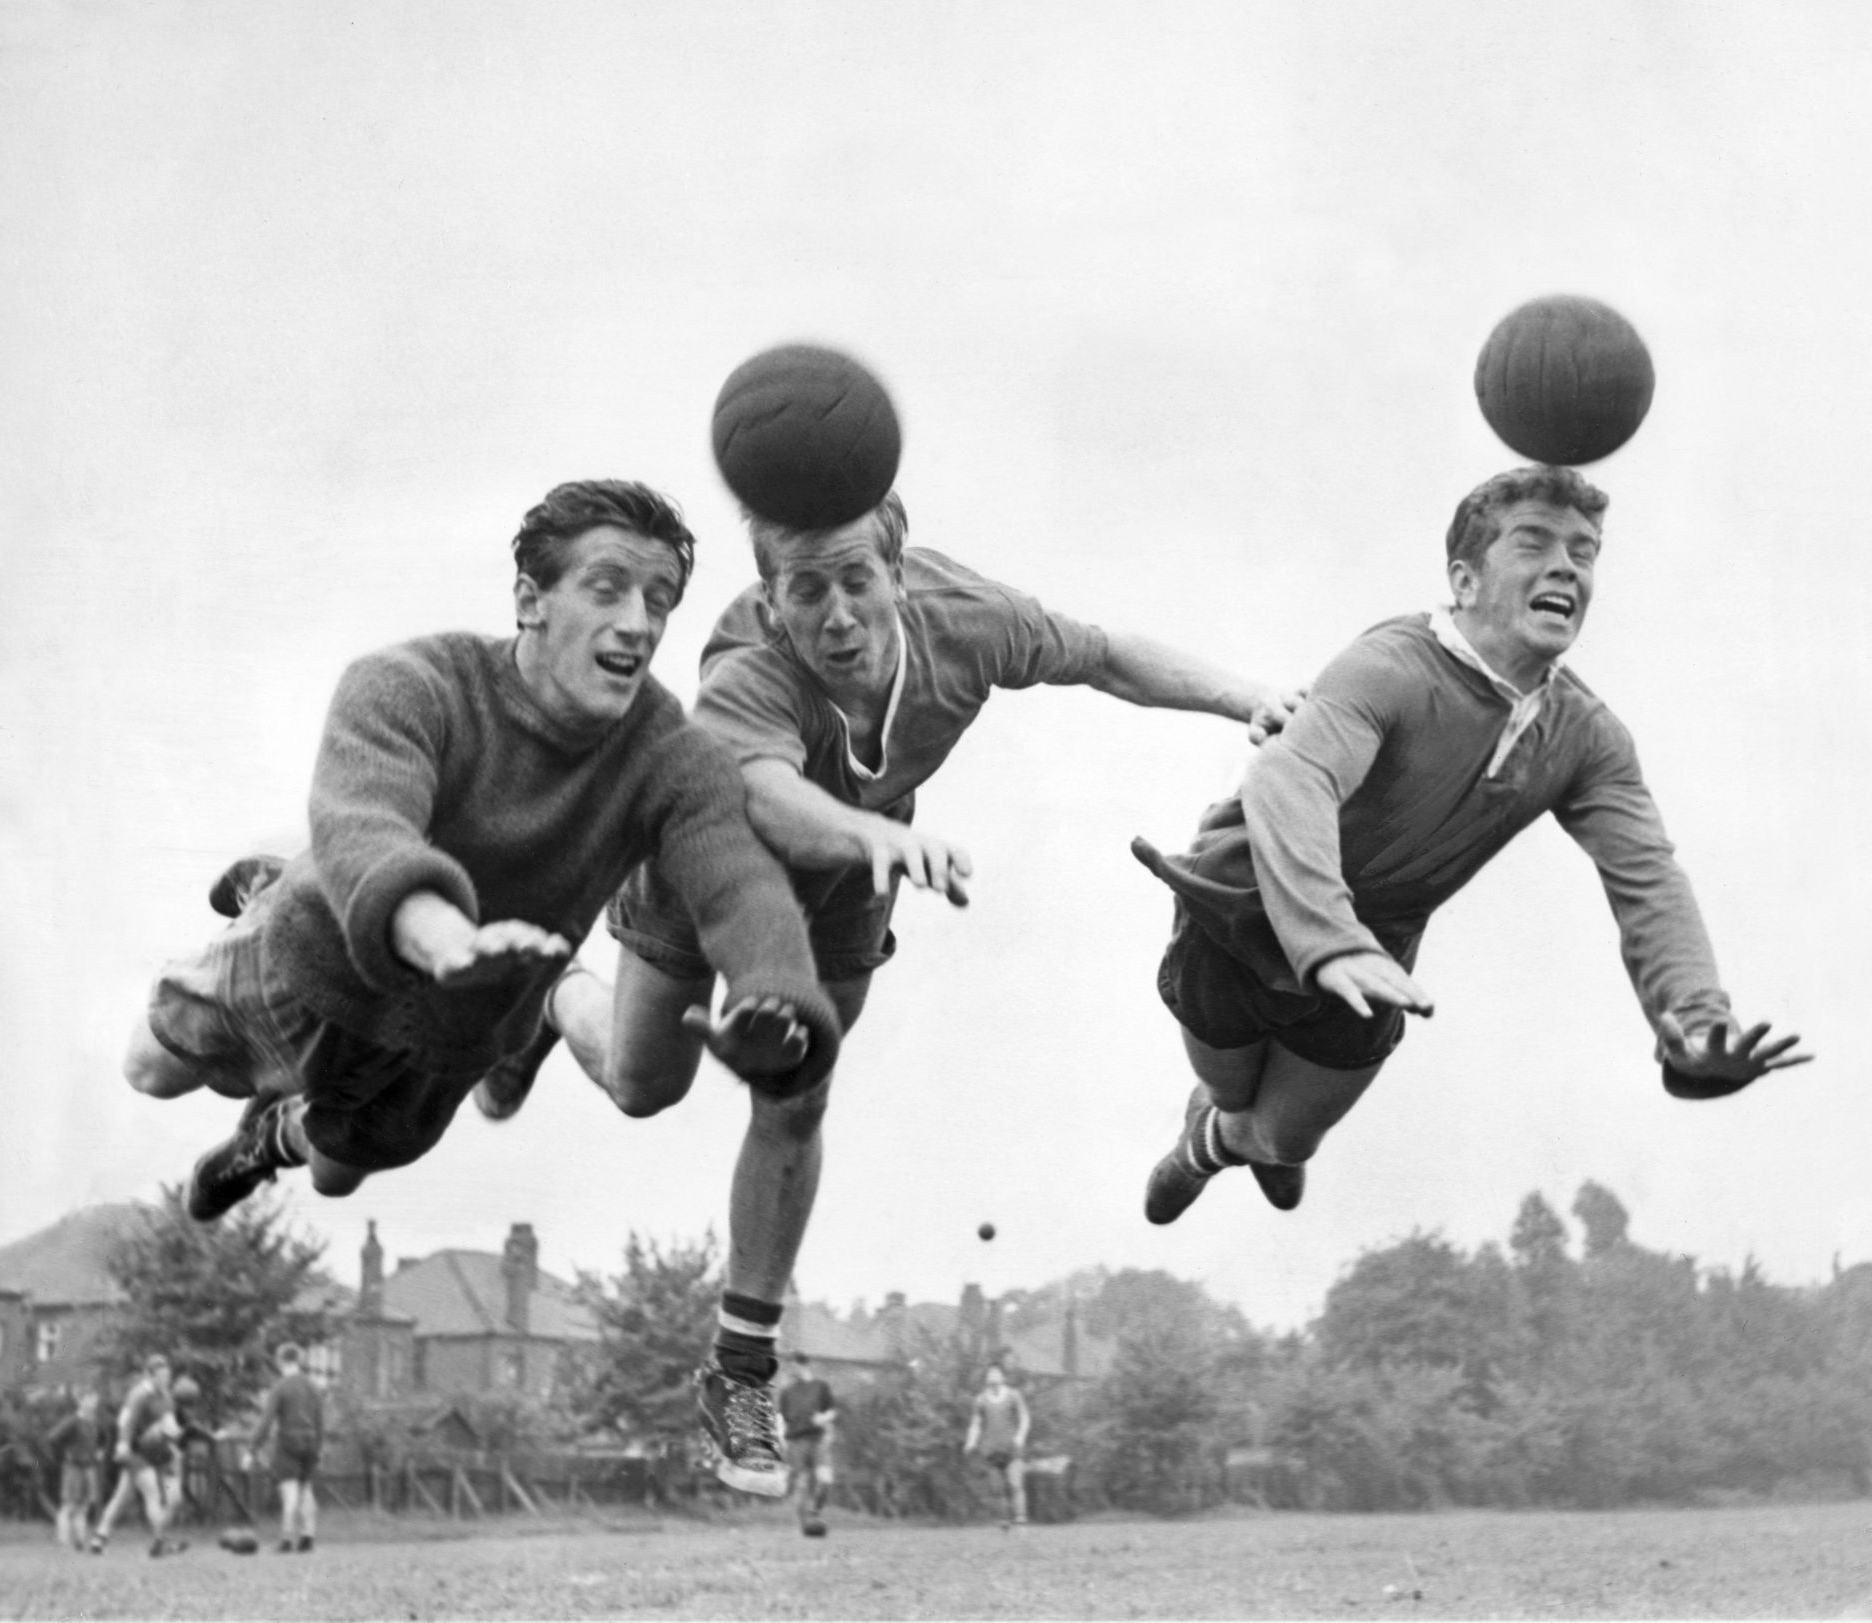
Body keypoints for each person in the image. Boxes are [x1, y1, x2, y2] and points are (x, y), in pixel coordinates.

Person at [495, 490, 1299, 1495]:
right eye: (805, 591)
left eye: (854, 582)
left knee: (796, 1096)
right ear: (770, 597)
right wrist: (878, 836)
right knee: (639, 1083)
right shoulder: (745, 665)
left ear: (898, 572)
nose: (834, 617)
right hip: (705, 851)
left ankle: (739, 1370)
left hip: (842, 883)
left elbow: (1103, 656)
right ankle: (547, 992)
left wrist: (1246, 698)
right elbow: (770, 803)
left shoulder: (966, 620)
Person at [119, 479, 842, 1222]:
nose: (637, 623)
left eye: (658, 599)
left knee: (334, 1175)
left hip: (451, 1036)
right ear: (532, 600)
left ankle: (263, 1144)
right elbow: (370, 828)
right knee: (148, 1068)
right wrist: (447, 943)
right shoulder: (408, 684)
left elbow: (738, 887)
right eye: (606, 589)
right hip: (313, 962)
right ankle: (275, 883)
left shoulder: (674, 762)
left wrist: (779, 1005)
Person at [1133, 464, 1812, 1223]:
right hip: (1245, 901)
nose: (1565, 566)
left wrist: (1693, 1017)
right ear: (1463, 578)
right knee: (1233, 1088)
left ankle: (1218, 1144)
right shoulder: (1387, 666)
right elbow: (1288, 782)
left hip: (1377, 947)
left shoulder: (1587, 737)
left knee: (1287, 1141)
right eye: (1534, 543)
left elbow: (1647, 876)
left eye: (1583, 552)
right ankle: (1215, 1116)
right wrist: (1328, 938)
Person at [90, 1355, 185, 1557]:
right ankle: (161, 1543)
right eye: (160, 1376)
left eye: (167, 1375)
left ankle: (100, 1536)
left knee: (125, 1497)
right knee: (152, 1492)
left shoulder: (166, 1396)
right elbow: (126, 1422)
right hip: (134, 1452)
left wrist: (176, 1438)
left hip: (155, 1451)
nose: (165, 1379)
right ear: (148, 1376)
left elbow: (169, 1425)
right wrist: (123, 1445)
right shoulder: (138, 1395)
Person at [250, 1343, 325, 1552]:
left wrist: (252, 1448)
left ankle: (286, 1539)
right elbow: (320, 1421)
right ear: (299, 1360)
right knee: (306, 1489)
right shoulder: (313, 1386)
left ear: (280, 1361)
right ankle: (308, 1537)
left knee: (290, 1492)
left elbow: (266, 1421)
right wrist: (319, 1448)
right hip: (311, 1442)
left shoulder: (280, 1387)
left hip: (288, 1442)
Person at [777, 1352, 838, 1536]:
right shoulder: (787, 1392)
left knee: (825, 1480)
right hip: (796, 1441)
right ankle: (805, 1526)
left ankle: (815, 1513)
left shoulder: (821, 1386)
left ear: (803, 1365)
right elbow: (781, 1420)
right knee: (802, 1485)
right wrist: (781, 1443)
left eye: (793, 1365)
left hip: (818, 1440)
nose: (790, 1370)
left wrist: (824, 1419)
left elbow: (832, 1412)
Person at [963, 1363, 1030, 1527]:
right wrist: (970, 1441)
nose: (993, 1376)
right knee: (997, 1488)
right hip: (991, 1450)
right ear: (986, 1379)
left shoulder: (1014, 1395)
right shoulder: (980, 1400)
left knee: (1015, 1483)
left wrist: (1020, 1436)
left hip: (1012, 1447)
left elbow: (1025, 1418)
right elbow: (976, 1424)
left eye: (996, 1373)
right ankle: (1004, 1521)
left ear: (1003, 1377)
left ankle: (1020, 1518)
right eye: (990, 1373)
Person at [46, 1392, 104, 1552]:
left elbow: (101, 1441)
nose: (93, 1403)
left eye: (95, 1400)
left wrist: (99, 1452)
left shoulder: (93, 1422)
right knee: (69, 1505)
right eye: (90, 1399)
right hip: (73, 1468)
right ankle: (63, 1542)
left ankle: (79, 1542)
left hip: (88, 1468)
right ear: (81, 1401)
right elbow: (53, 1438)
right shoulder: (73, 1422)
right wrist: (66, 1455)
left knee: (84, 1506)